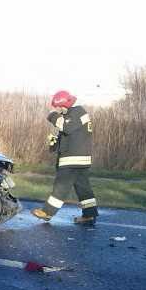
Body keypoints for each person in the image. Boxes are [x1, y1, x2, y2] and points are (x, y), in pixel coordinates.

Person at [31, 90, 98, 224]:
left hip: (72, 159)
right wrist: (56, 142)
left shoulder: (77, 112)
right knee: (83, 189)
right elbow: (71, 134)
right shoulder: (76, 113)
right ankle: (89, 215)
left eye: (60, 107)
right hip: (80, 158)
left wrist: (52, 115)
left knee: (61, 186)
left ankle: (47, 212)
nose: (59, 110)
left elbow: (66, 128)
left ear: (66, 103)